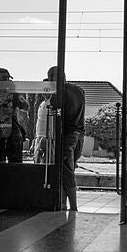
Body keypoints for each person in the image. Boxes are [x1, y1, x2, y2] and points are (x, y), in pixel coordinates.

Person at [47, 66, 85, 211]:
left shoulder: (59, 93)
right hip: (79, 134)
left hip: (66, 135)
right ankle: (63, 204)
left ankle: (73, 207)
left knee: (65, 171)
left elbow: (56, 114)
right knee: (69, 169)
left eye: (50, 77)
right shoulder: (78, 90)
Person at [0, 67, 28, 163]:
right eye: (4, 80)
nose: (6, 82)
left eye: (7, 79)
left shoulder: (12, 94)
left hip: (11, 133)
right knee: (0, 166)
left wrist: (14, 91)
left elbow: (25, 106)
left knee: (14, 166)